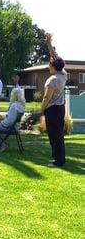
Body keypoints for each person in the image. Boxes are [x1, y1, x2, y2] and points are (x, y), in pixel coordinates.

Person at [41, 33, 67, 168]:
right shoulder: (63, 74)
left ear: (53, 66)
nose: (48, 65)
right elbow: (56, 58)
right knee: (58, 134)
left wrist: (41, 110)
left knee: (54, 135)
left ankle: (58, 161)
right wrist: (49, 44)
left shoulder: (52, 80)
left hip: (52, 110)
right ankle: (59, 158)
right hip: (60, 109)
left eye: (49, 64)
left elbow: (46, 98)